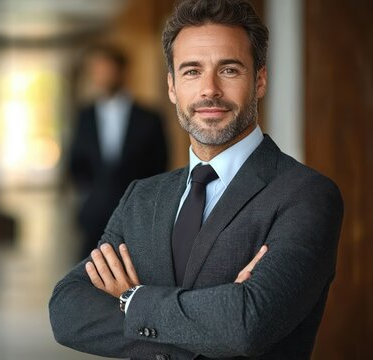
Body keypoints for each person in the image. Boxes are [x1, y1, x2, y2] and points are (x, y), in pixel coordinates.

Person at [50, 0, 343, 359]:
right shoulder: (142, 197)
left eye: (230, 70)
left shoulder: (306, 195)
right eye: (191, 71)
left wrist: (131, 298)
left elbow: (245, 324)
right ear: (172, 86)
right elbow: (67, 311)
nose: (209, 89)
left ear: (260, 80)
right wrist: (211, 324)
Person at [68, 45, 168, 259]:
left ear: (122, 71)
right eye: (97, 70)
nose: (101, 75)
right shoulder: (84, 116)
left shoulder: (149, 117)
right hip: (94, 214)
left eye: (106, 68)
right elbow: (76, 161)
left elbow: (160, 165)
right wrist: (88, 193)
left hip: (137, 214)